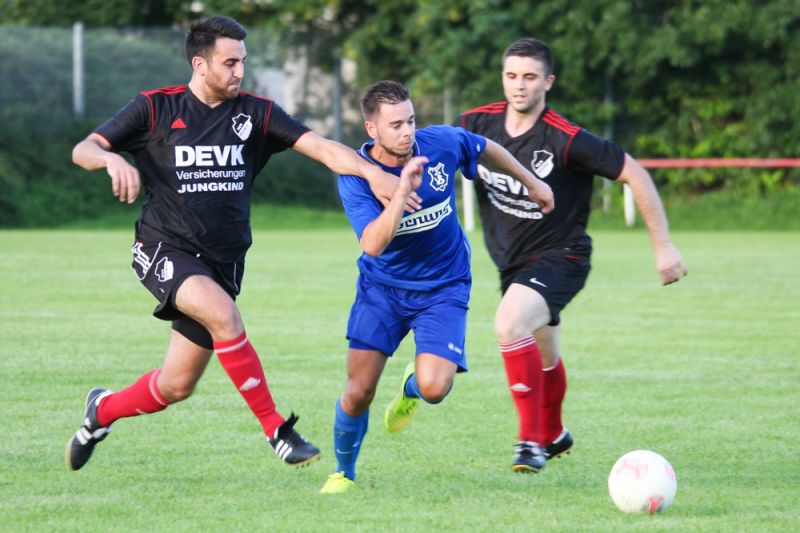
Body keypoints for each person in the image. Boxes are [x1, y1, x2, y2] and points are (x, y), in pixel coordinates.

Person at [65, 16, 411, 472]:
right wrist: (110, 160)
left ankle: (101, 411)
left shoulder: (256, 113)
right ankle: (277, 430)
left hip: (222, 263)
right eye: (229, 63)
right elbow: (84, 149)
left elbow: (324, 148)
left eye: (243, 61)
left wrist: (371, 172)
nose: (239, 71)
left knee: (176, 384)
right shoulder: (155, 108)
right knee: (224, 316)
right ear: (200, 64)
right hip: (163, 248)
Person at [458, 37, 688, 473]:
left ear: (548, 82)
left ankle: (530, 442)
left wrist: (663, 246)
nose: (519, 85)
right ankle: (554, 433)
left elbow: (635, 174)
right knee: (542, 355)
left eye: (529, 77)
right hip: (512, 263)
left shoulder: (566, 139)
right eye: (511, 76)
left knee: (509, 325)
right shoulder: (475, 124)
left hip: (562, 256)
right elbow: (436, 159)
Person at [318, 80, 554, 494]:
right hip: (382, 290)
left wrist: (531, 182)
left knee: (434, 388)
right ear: (372, 129)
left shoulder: (440, 144)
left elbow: (484, 147)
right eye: (395, 125)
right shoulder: (355, 176)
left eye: (410, 120)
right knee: (358, 392)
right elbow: (372, 244)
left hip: (444, 286)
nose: (407, 131)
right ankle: (344, 472)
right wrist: (400, 194)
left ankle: (411, 387)